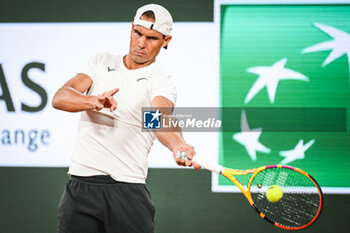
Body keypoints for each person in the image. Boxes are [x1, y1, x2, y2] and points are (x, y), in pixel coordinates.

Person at [52, 3, 199, 233]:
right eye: (137, 33)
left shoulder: (160, 80)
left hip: (127, 192)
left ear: (166, 41)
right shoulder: (101, 62)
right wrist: (93, 101)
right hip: (80, 187)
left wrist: (178, 144)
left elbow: (159, 119)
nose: (141, 43)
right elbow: (60, 97)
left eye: (151, 38)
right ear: (131, 28)